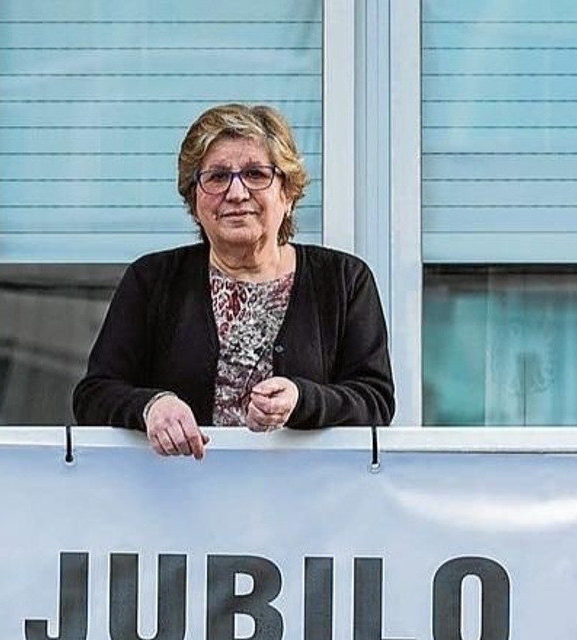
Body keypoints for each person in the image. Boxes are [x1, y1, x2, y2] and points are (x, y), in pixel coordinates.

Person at [73, 103, 395, 458]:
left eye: (256, 174)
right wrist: (151, 406)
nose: (237, 193)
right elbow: (94, 396)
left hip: (307, 501)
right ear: (194, 200)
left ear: (287, 193)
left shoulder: (345, 280)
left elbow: (375, 402)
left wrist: (302, 400)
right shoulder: (151, 280)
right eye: (217, 177)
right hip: (173, 502)